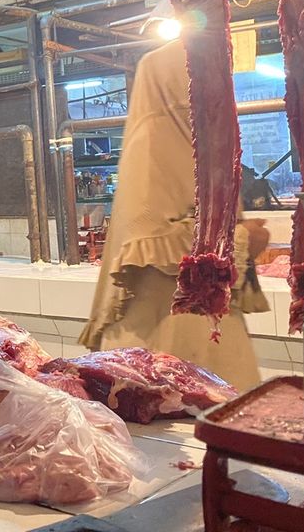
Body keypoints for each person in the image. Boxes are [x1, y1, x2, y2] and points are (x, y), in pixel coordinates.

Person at [79, 40, 271, 392]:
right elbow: (158, 250)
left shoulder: (196, 150)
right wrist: (244, 241)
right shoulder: (155, 147)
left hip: (196, 346)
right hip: (166, 351)